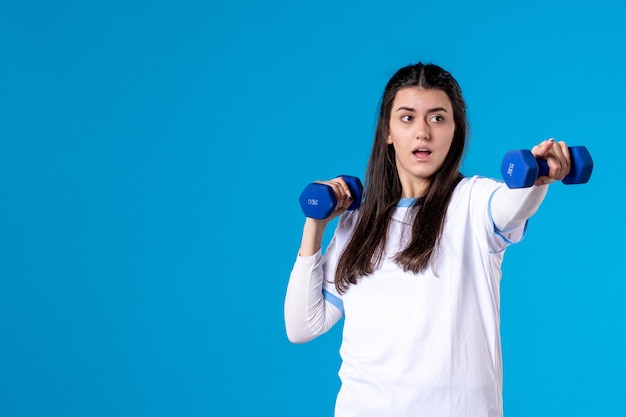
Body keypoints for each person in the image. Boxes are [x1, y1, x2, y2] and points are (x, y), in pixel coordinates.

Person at [284, 62, 571, 417]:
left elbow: (513, 205)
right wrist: (315, 224)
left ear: (455, 131)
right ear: (387, 131)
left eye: (437, 118)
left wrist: (538, 179)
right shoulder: (358, 223)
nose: (423, 132)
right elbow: (302, 326)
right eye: (407, 118)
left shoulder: (473, 201)